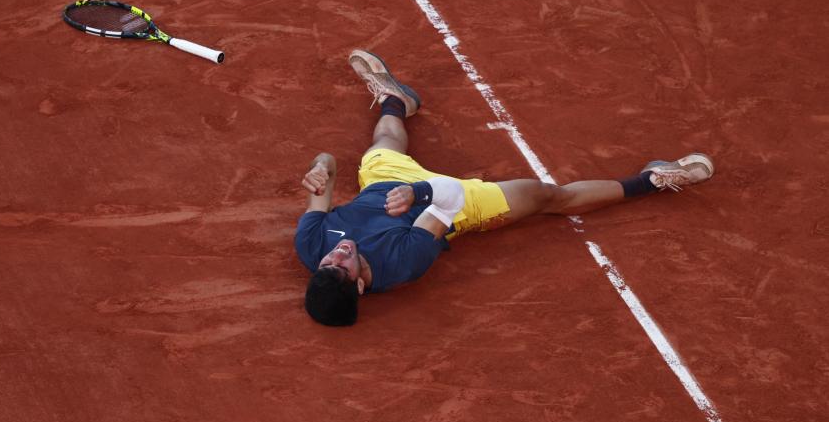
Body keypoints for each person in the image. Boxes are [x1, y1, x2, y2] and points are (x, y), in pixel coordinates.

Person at [295, 49, 714, 326]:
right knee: (547, 196)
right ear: (361, 284)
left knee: (383, 143)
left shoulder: (312, 246)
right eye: (343, 266)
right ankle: (654, 179)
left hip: (386, 183)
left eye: (328, 262)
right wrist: (418, 194)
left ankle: (397, 100)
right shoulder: (403, 264)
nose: (339, 252)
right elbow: (449, 199)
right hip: (442, 202)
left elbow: (329, 166)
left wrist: (320, 168)